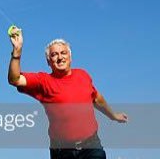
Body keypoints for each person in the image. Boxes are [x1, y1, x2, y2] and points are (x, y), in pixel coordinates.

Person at [8, 27, 128, 158]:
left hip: (91, 146)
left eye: (63, 53)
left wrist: (113, 116)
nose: (60, 57)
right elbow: (15, 79)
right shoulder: (43, 81)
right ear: (48, 61)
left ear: (70, 57)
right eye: (54, 55)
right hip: (62, 151)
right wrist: (17, 51)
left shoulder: (83, 75)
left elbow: (97, 99)